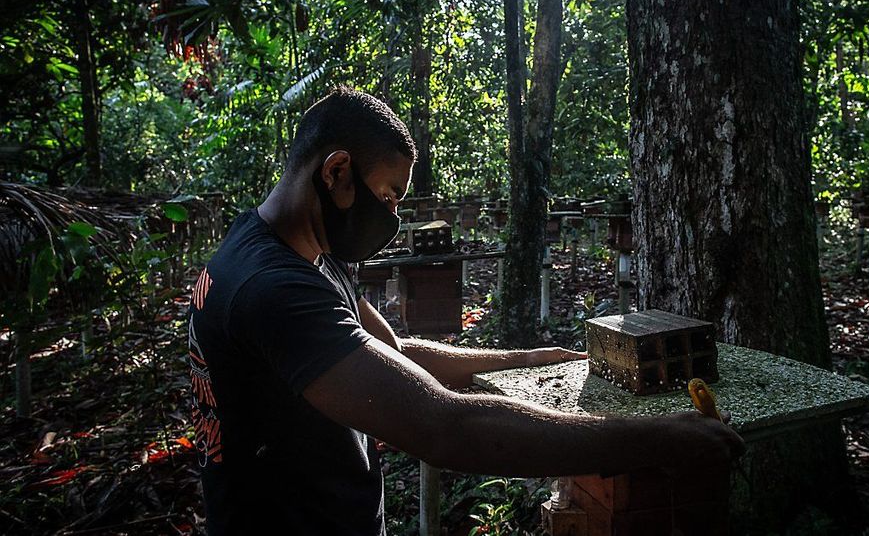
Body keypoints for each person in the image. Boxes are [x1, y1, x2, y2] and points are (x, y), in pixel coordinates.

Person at [187, 86, 744, 535]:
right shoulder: (271, 286)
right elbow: (444, 426)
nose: (391, 215)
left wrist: (527, 359)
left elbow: (395, 353)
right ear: (336, 172)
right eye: (386, 196)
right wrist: (655, 438)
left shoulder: (300, 252)